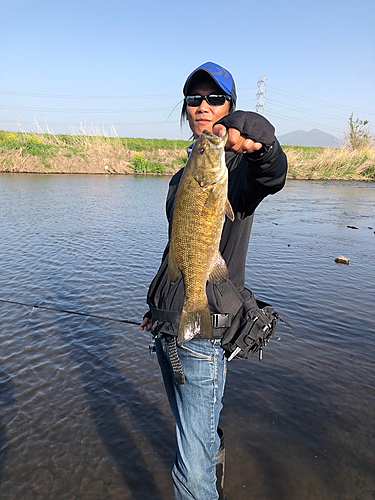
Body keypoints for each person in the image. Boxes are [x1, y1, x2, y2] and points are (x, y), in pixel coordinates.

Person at [141, 62, 288, 500]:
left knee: (191, 464)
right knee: (200, 436)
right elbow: (178, 251)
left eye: (214, 98)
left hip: (202, 339)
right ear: (186, 110)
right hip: (171, 326)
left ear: (231, 108)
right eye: (193, 99)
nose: (202, 106)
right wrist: (160, 310)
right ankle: (216, 471)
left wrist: (263, 147)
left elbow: (270, 176)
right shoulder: (182, 176)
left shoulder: (235, 172)